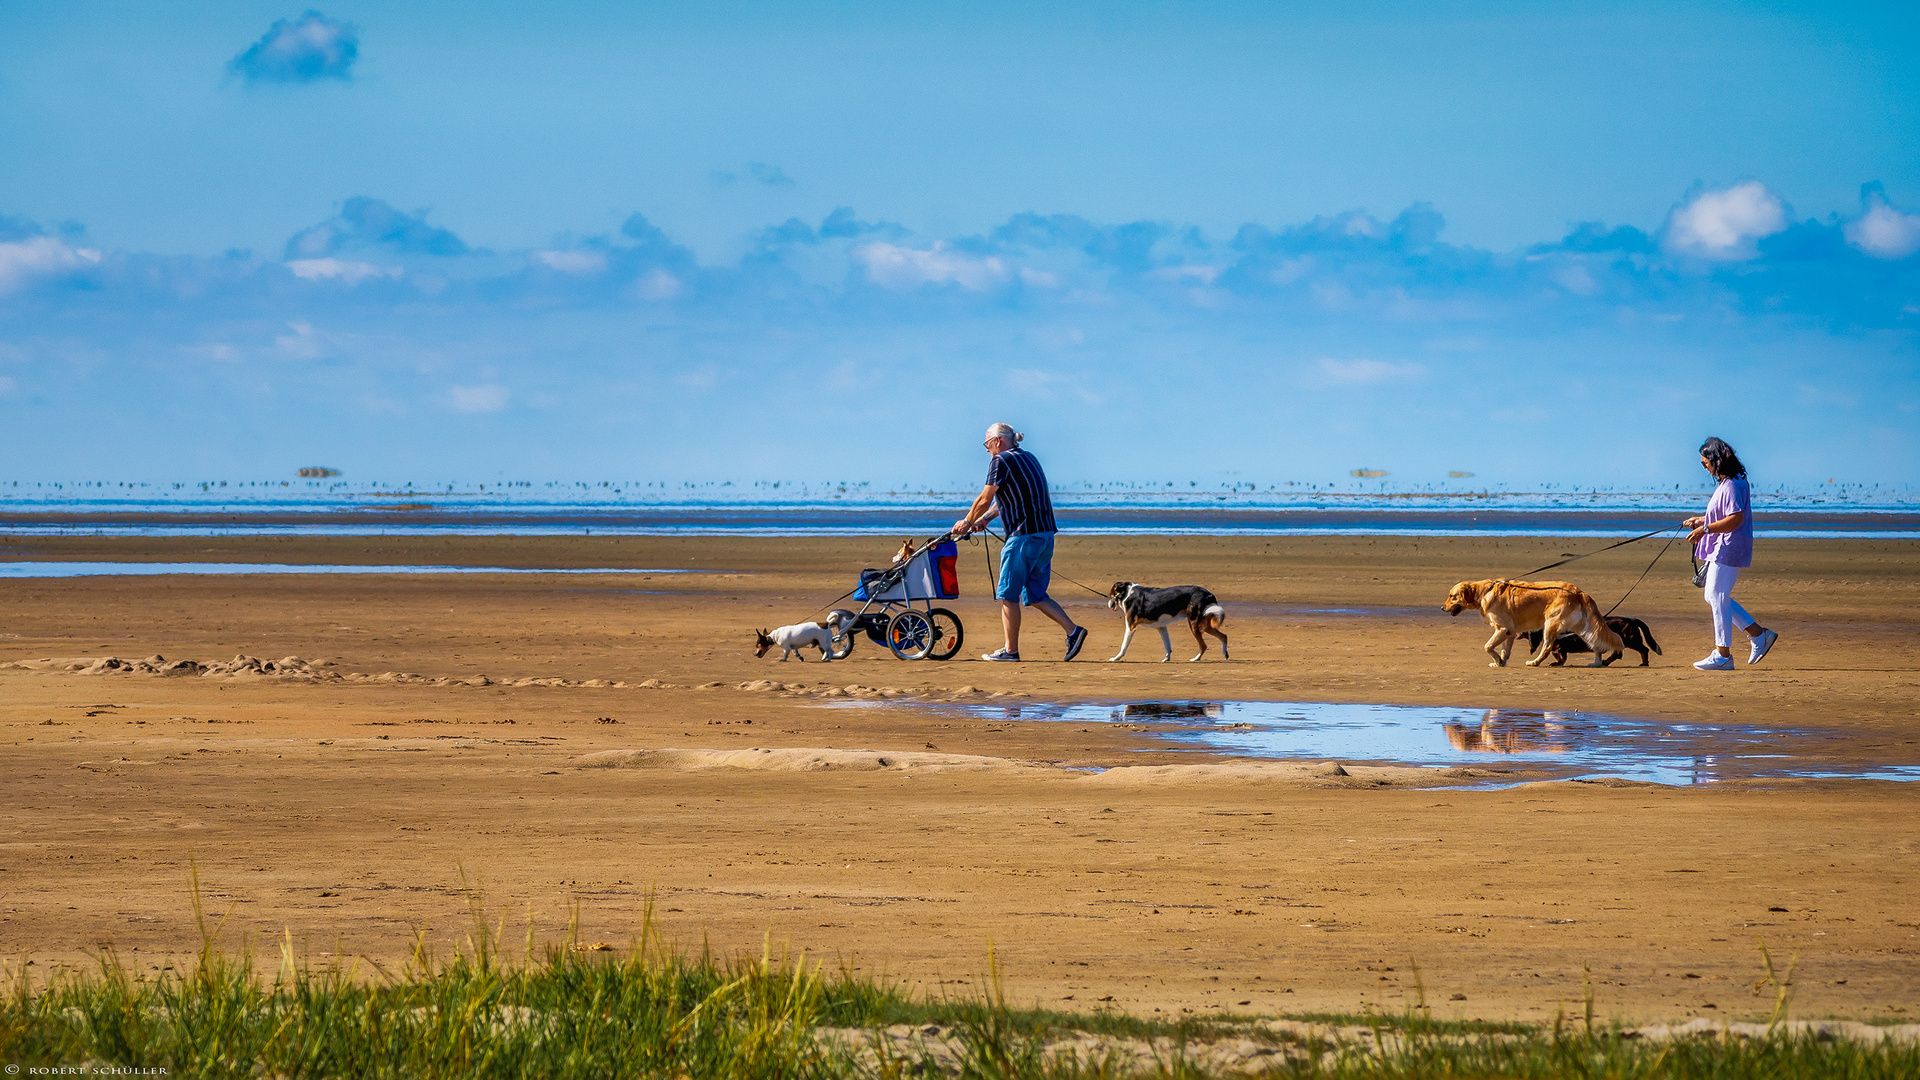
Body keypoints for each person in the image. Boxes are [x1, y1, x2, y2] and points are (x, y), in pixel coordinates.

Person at [952, 423, 1088, 662]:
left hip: (1023, 537)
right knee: (1036, 594)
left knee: (1008, 594)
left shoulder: (1000, 461)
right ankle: (1073, 631)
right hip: (1045, 536)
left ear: (997, 441)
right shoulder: (1029, 458)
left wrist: (967, 520)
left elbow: (986, 497)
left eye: (986, 444)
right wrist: (984, 520)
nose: (986, 450)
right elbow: (1007, 499)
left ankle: (1010, 651)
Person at [1682, 437, 1778, 671]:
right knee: (1713, 595)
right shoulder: (1730, 482)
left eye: (1706, 462)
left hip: (1730, 545)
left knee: (1716, 595)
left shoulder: (1733, 484)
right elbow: (1725, 514)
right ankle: (1758, 635)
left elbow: (1736, 518)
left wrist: (1705, 529)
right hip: (1726, 544)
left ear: (1716, 460)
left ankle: (1723, 654)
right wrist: (1702, 520)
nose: (1704, 466)